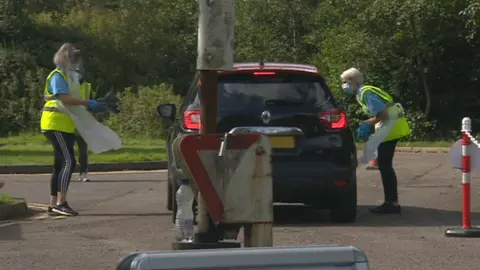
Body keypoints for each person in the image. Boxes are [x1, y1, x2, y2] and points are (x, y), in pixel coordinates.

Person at [41, 43, 104, 216]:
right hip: (56, 124)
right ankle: (61, 202)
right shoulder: (58, 75)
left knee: (60, 163)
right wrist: (87, 102)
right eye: (74, 59)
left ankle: (53, 204)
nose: (77, 63)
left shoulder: (67, 77)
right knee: (70, 161)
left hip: (63, 125)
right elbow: (64, 98)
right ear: (67, 59)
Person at [340, 67, 411, 214]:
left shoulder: (365, 93)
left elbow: (383, 113)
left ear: (352, 81)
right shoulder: (366, 90)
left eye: (345, 82)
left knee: (385, 166)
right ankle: (392, 202)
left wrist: (368, 123)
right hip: (391, 128)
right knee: (385, 165)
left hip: (390, 129)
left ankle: (391, 203)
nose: (344, 86)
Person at [76, 70, 94, 182]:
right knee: (66, 151)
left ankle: (83, 173)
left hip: (83, 121)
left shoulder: (88, 87)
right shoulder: (66, 85)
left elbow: (91, 104)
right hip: (68, 120)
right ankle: (63, 173)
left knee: (83, 149)